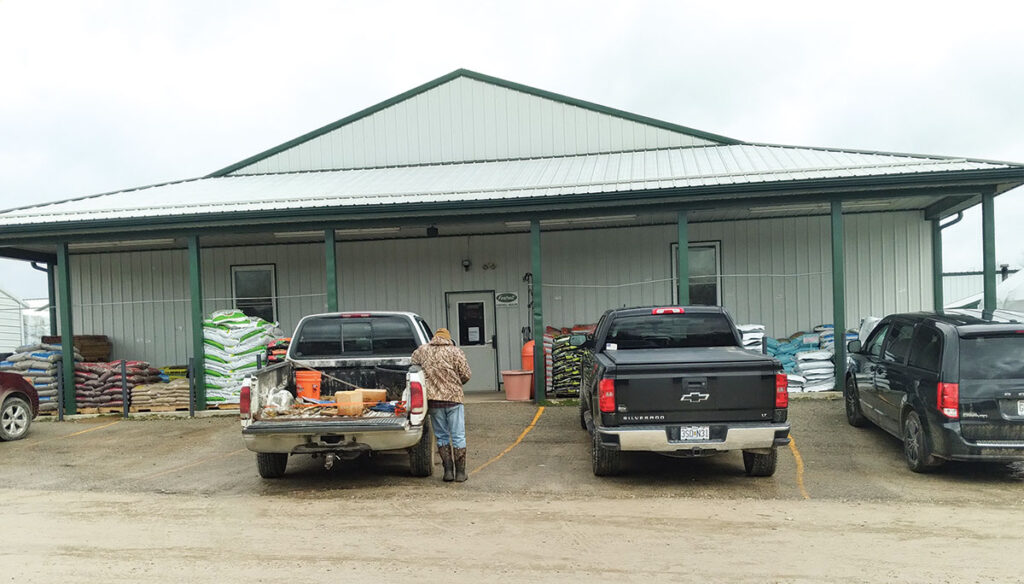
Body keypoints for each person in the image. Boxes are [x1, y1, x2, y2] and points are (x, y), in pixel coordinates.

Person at [411, 328, 472, 482]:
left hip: (434, 402)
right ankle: (460, 473)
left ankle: (448, 472)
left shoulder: (423, 351)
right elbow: (466, 375)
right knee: (458, 436)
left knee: (442, 436)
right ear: (448, 339)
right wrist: (457, 383)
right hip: (454, 400)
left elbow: (413, 363)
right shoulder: (456, 352)